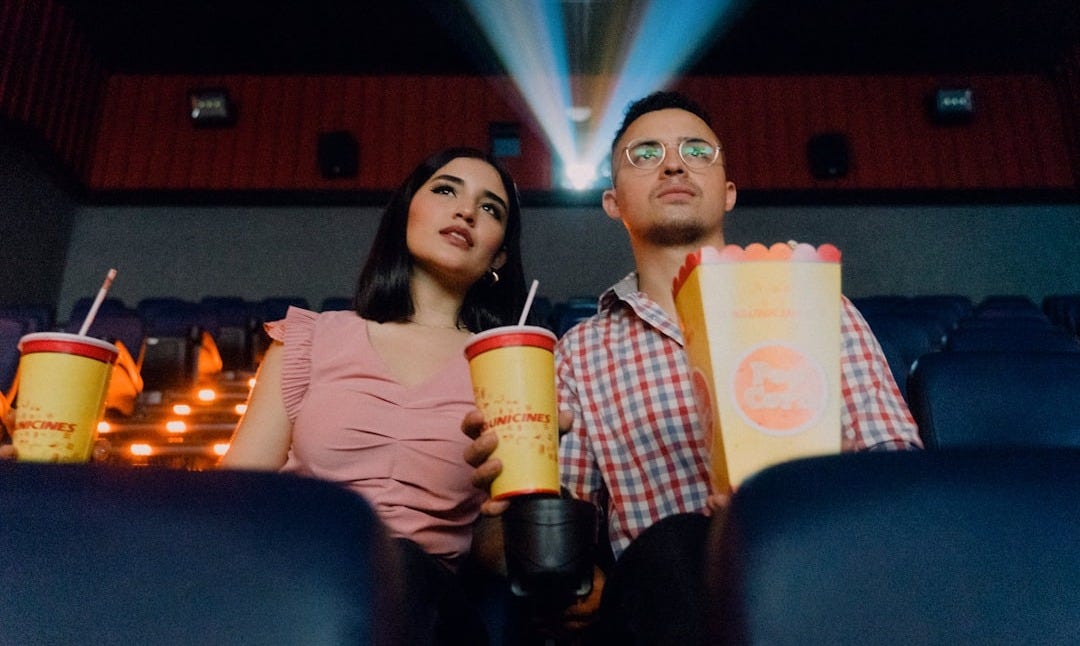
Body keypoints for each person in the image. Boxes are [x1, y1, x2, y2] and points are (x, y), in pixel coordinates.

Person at [463, 91, 922, 644]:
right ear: (613, 202)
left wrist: (796, 499)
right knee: (679, 542)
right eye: (645, 154)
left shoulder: (817, 304)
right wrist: (509, 498)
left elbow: (901, 475)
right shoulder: (581, 353)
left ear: (727, 193)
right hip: (671, 594)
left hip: (824, 569)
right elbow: (560, 535)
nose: (675, 163)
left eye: (697, 150)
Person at [222, 146, 528, 645]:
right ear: (407, 211)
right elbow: (238, 496)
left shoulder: (508, 368)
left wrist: (516, 500)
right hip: (298, 583)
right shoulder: (311, 338)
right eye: (446, 190)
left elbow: (496, 559)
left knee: (399, 563)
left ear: (498, 255)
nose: (466, 211)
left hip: (429, 606)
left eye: (490, 208)